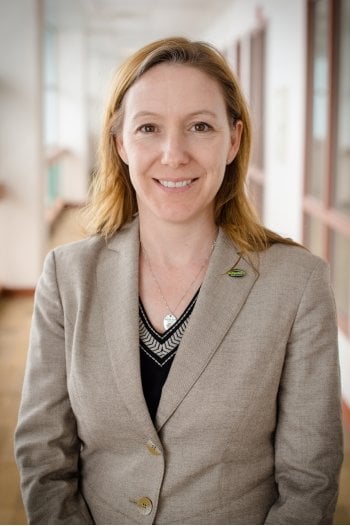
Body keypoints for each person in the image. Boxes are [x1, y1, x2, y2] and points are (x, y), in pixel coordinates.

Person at [15, 36, 343, 525]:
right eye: (148, 127)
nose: (173, 154)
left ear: (233, 140)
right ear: (120, 142)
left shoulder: (297, 284)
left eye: (200, 127)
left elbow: (309, 480)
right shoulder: (68, 277)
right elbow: (44, 456)